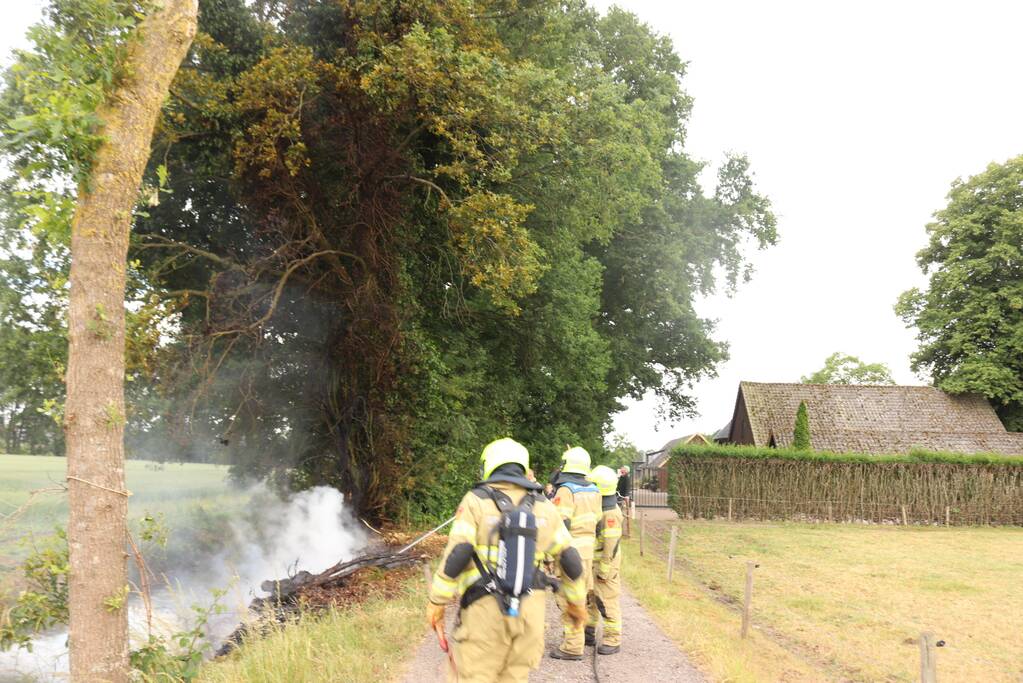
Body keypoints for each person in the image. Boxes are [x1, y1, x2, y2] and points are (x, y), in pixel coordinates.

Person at [426, 438, 588, 682]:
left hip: (485, 614)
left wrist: (437, 601)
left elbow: (459, 552)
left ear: (488, 465)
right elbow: (571, 559)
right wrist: (576, 604)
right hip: (529, 616)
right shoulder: (544, 505)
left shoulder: (476, 500)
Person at [549, 446, 601, 660]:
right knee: (583, 594)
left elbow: (562, 523)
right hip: (588, 549)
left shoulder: (566, 490)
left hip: (571, 551)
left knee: (569, 597)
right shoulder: (595, 489)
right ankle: (584, 635)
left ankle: (572, 646)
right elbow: (597, 522)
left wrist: (551, 553)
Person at [585, 465, 624, 654]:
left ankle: (613, 640)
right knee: (591, 598)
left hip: (604, 565)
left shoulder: (610, 513)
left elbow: (611, 544)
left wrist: (604, 569)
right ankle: (588, 632)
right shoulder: (601, 507)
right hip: (595, 562)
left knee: (606, 601)